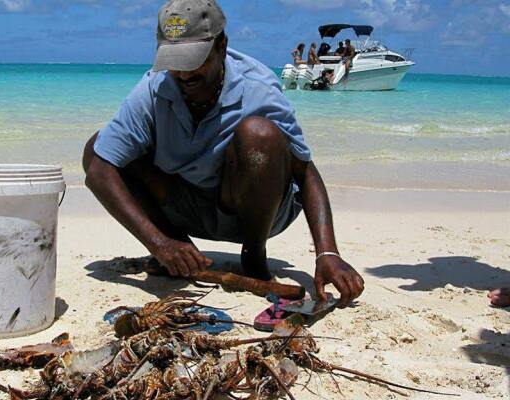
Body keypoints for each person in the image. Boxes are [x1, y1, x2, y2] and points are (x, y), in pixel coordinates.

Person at [82, 0, 364, 308]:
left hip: (254, 209)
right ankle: (182, 253)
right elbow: (99, 170)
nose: (183, 74)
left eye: (194, 60)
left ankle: (253, 253)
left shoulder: (258, 90)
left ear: (222, 45)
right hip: (189, 204)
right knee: (98, 148)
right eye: (174, 62)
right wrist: (159, 243)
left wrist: (328, 253)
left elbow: (306, 174)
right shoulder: (155, 87)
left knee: (259, 134)